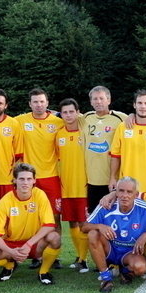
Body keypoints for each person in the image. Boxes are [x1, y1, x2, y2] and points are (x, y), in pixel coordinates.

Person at [0, 163, 62, 285]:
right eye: (21, 179)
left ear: (34, 180)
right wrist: (11, 252)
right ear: (14, 180)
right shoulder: (6, 201)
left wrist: (29, 244)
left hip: (34, 243)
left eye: (29, 179)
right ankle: (10, 264)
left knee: (55, 237)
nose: (25, 182)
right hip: (11, 244)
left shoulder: (39, 195)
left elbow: (49, 225)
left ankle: (43, 272)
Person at [84, 177, 146, 293]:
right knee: (93, 234)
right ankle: (106, 278)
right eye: (121, 191)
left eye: (129, 192)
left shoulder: (144, 208)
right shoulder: (106, 205)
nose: (124, 195)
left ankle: (125, 271)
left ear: (136, 194)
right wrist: (99, 226)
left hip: (130, 252)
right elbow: (84, 226)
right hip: (110, 249)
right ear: (116, 192)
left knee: (141, 267)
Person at [15, 89, 64, 240]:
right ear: (30, 104)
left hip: (52, 176)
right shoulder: (20, 120)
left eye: (42, 101)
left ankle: (53, 254)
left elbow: (80, 120)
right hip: (29, 178)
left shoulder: (58, 122)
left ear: (47, 103)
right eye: (35, 102)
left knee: (55, 217)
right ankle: (36, 255)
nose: (39, 105)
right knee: (32, 217)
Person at [56, 98, 90, 272]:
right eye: (64, 112)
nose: (68, 115)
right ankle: (79, 257)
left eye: (71, 111)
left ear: (78, 113)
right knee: (72, 223)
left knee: (84, 224)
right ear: (60, 115)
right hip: (66, 187)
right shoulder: (58, 134)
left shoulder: (86, 131)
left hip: (84, 186)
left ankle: (84, 259)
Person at [82, 86, 127, 211]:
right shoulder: (85, 117)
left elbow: (139, 120)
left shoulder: (121, 118)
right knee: (93, 217)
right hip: (91, 179)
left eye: (101, 98)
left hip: (112, 180)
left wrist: (133, 114)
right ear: (91, 102)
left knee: (113, 217)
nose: (98, 102)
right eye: (95, 99)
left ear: (109, 100)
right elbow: (66, 114)